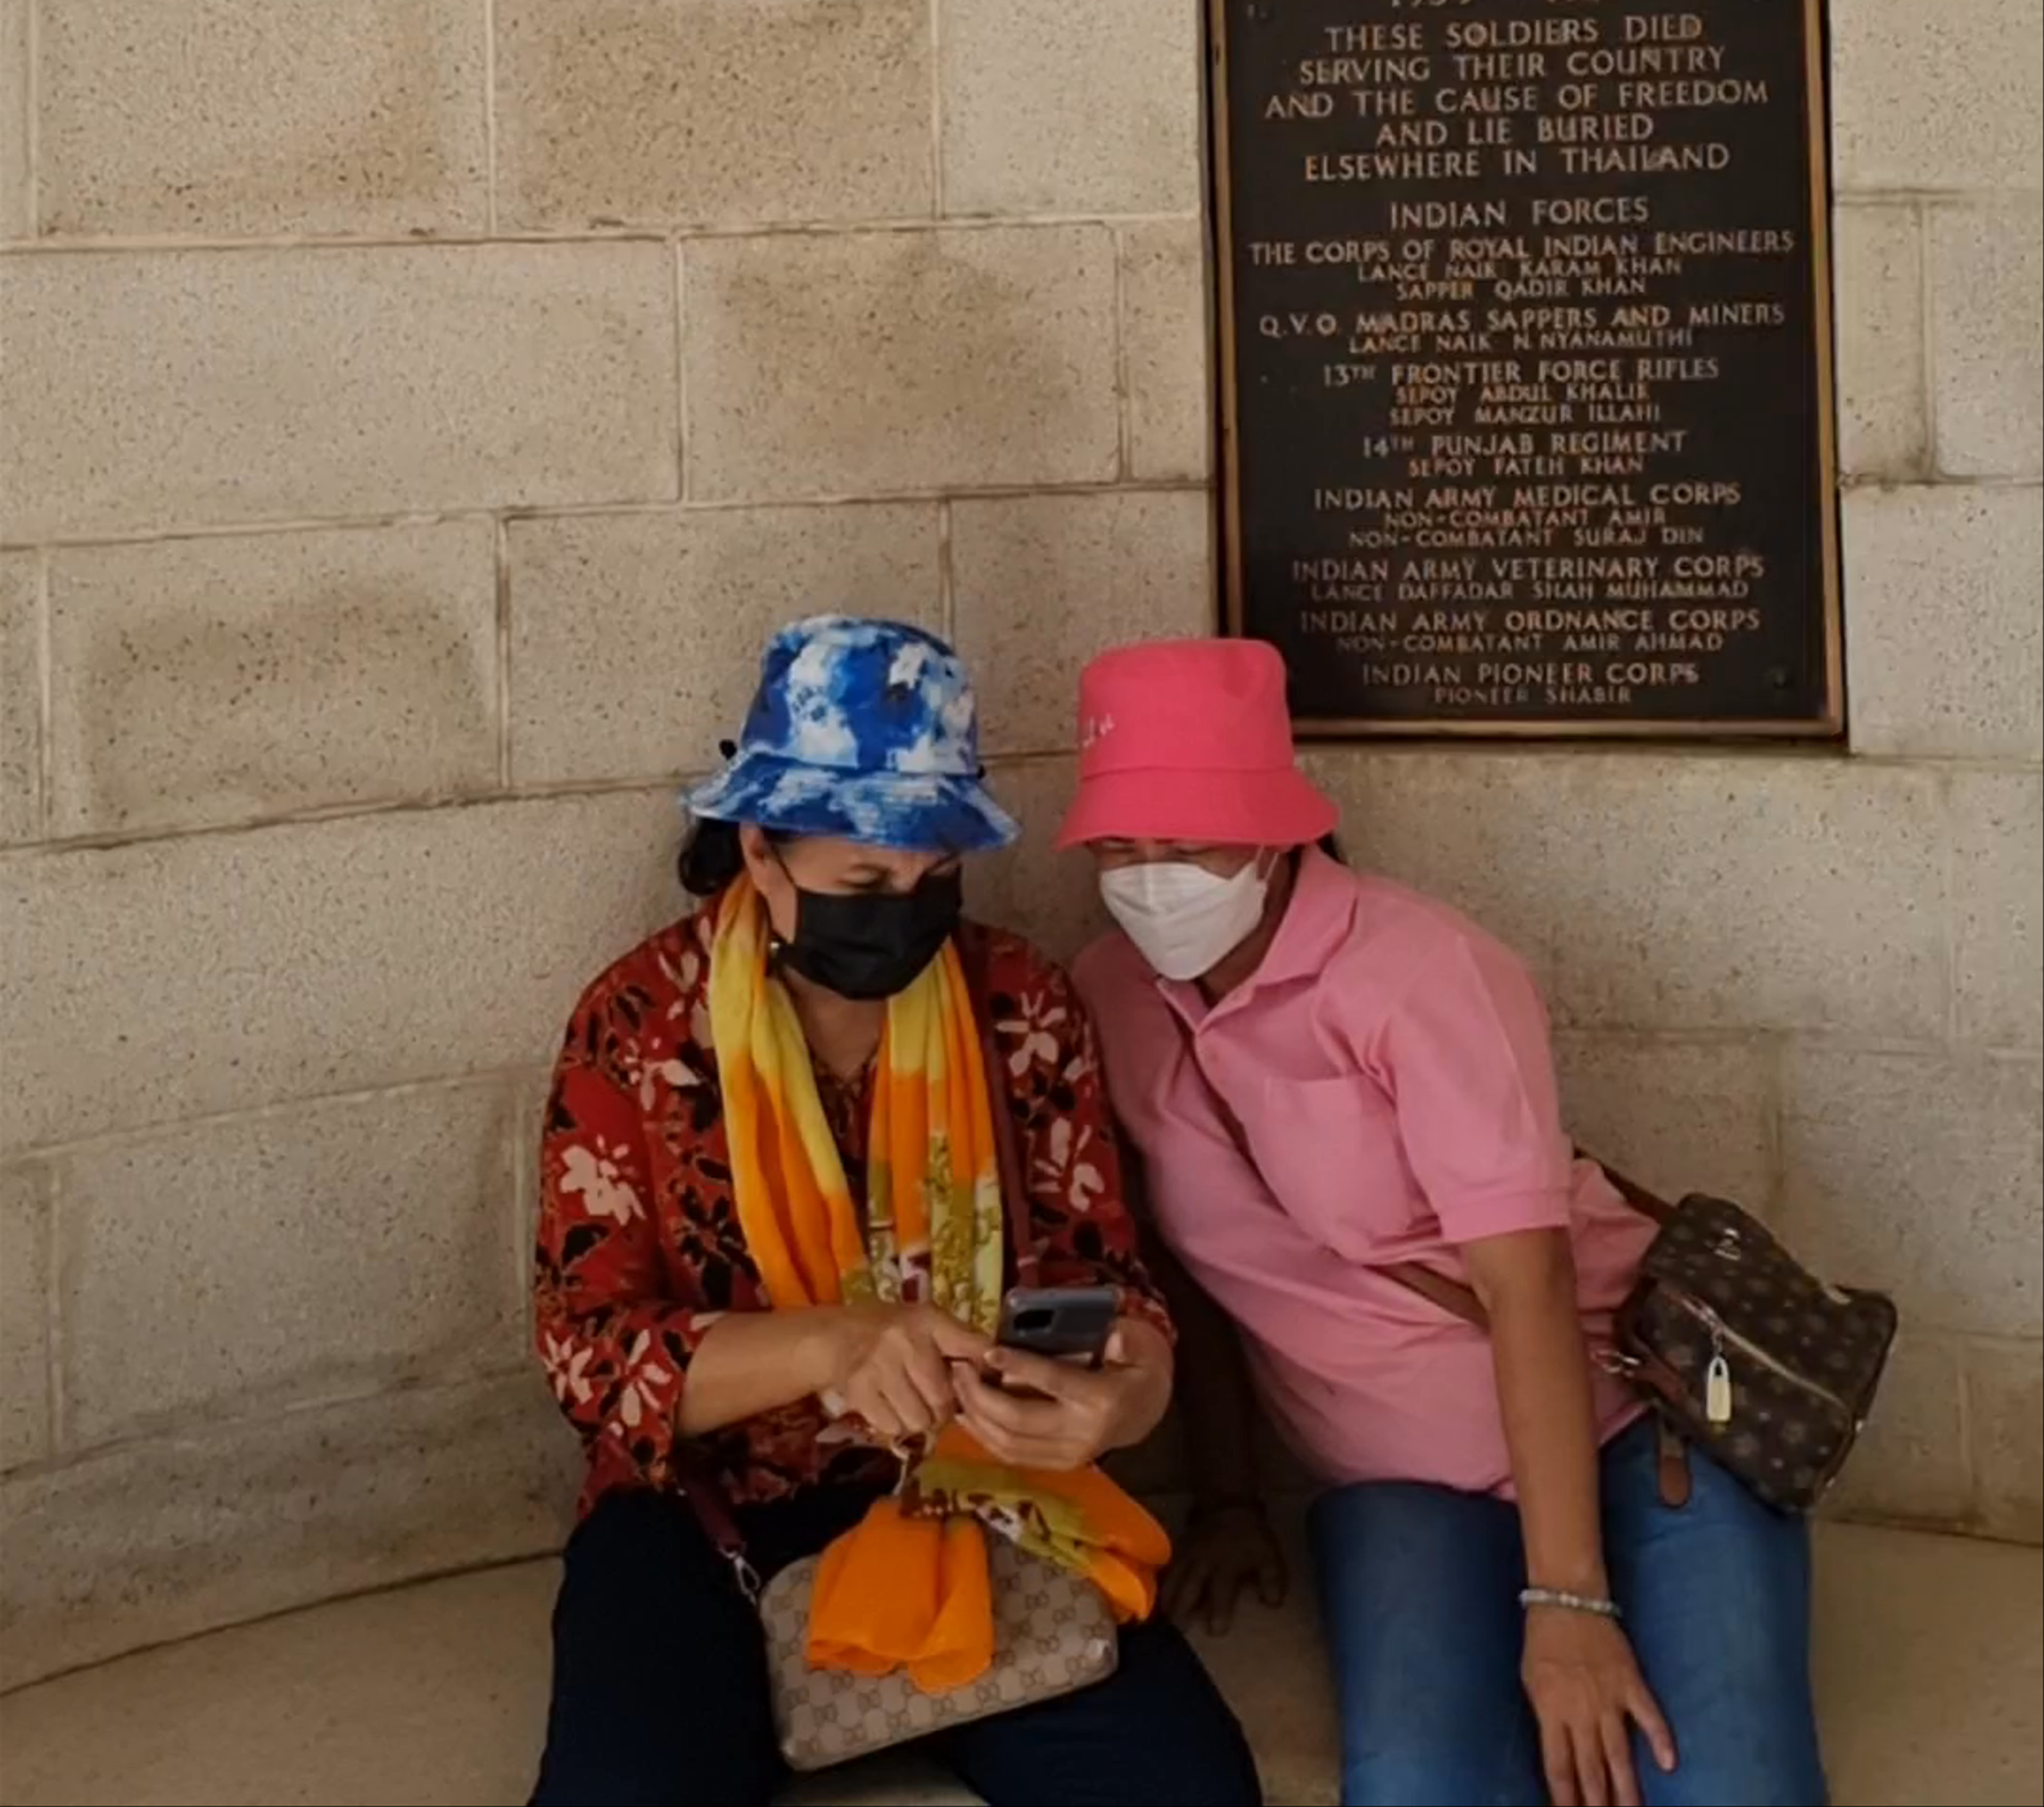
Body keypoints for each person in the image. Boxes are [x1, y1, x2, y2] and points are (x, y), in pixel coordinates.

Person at [1064, 637, 1827, 1807]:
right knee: (1421, 1781)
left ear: (1274, 830)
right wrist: (1225, 1495)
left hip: (1631, 1423)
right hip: (1397, 1480)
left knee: (1725, 1781)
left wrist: (1568, 1604)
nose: (1151, 873)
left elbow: (1525, 1285)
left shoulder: (1420, 970)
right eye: (1121, 843)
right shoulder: (1109, 996)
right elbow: (1192, 1274)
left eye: (1188, 837)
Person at [529, 613, 1261, 1807]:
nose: (907, 914)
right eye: (865, 881)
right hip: (698, 1515)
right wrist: (837, 1340)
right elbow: (584, 1354)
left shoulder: (1016, 1000)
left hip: (976, 1486)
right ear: (761, 851)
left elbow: (1106, 1282)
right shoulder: (641, 1023)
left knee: (1184, 1788)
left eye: (935, 879)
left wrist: (1121, 1394)